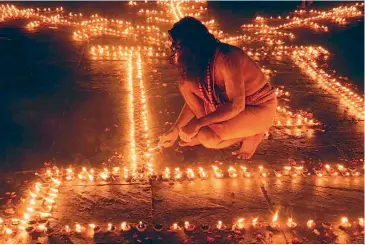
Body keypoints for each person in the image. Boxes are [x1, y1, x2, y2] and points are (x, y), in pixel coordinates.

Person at [158, 17, 277, 159]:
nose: (178, 52)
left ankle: (254, 134)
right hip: (227, 107)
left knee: (207, 138)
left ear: (193, 44)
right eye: (176, 47)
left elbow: (236, 106)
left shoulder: (226, 58)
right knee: (186, 83)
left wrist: (197, 124)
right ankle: (211, 129)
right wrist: (175, 129)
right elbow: (201, 94)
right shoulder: (201, 59)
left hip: (258, 108)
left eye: (180, 47)